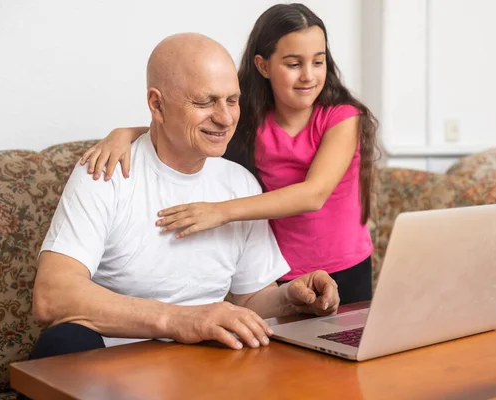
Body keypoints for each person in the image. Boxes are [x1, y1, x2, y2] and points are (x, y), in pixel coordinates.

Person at [30, 32, 340, 364]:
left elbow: (250, 298)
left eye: (232, 100)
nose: (224, 118)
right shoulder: (107, 172)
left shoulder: (241, 184)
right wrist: (179, 320)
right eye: (205, 102)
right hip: (113, 362)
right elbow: (51, 296)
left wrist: (291, 298)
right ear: (157, 105)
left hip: (203, 364)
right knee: (61, 342)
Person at [80, 3, 379, 305]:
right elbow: (183, 127)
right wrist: (125, 134)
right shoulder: (247, 120)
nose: (308, 76)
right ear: (263, 66)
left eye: (318, 62)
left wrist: (220, 211)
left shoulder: (343, 117)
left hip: (346, 265)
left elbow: (314, 194)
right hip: (281, 273)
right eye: (293, 64)